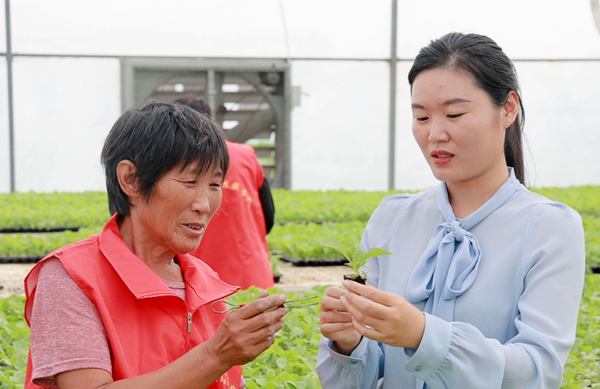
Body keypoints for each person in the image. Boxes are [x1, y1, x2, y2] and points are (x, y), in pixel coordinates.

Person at [317, 32, 585, 389]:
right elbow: (367, 373)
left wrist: (423, 335)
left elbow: (538, 370)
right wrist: (350, 342)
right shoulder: (393, 217)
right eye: (422, 117)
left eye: (454, 114)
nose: (435, 134)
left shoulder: (550, 227)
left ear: (507, 108)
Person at [23, 101, 289, 389]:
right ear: (131, 179)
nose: (204, 204)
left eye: (215, 185)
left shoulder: (207, 284)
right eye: (189, 181)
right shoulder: (71, 277)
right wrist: (216, 354)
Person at [173, 96, 275, 290]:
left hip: (198, 281)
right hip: (252, 276)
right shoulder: (246, 155)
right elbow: (268, 218)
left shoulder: (176, 160)